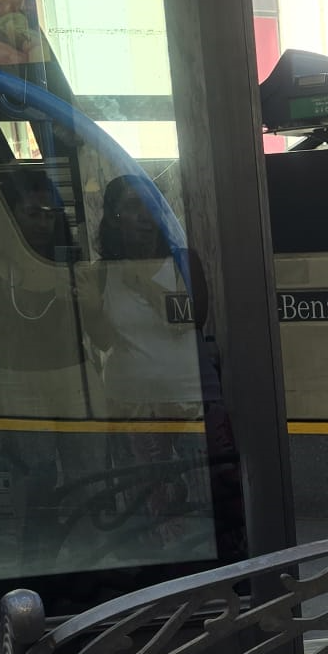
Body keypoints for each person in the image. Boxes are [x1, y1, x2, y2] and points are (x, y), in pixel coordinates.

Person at [0, 167, 100, 571]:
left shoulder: (73, 267)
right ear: (10, 216)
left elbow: (102, 335)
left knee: (88, 477)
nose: (42, 221)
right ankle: (37, 565)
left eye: (49, 213)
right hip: (18, 383)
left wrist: (89, 304)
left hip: (75, 377)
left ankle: (92, 561)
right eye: (32, 212)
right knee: (32, 481)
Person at [88, 176, 212, 552]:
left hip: (187, 401)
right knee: (145, 504)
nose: (145, 216)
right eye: (133, 206)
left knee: (197, 500)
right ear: (114, 216)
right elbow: (105, 340)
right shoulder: (101, 272)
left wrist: (142, 281)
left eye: (151, 205)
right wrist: (86, 305)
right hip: (132, 402)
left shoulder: (183, 262)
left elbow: (190, 320)